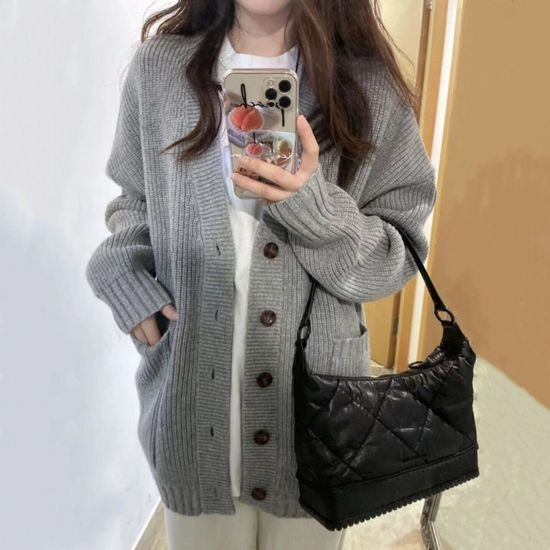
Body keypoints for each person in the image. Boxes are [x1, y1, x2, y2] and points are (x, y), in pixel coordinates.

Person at [85, 1, 437, 549]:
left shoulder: (369, 88)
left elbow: (398, 254)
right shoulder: (159, 71)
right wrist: (125, 279)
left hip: (315, 424)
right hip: (191, 416)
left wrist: (312, 207)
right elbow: (133, 203)